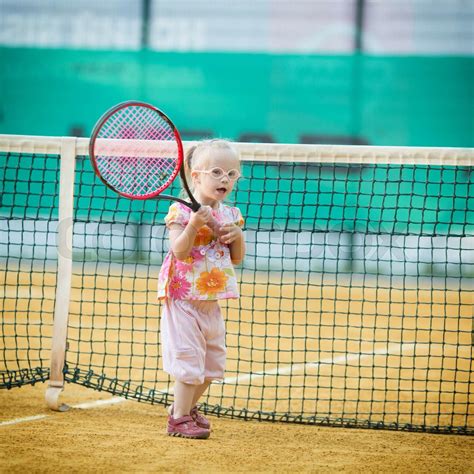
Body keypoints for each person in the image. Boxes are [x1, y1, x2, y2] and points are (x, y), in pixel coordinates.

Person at [157, 139, 245, 439]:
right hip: (182, 299)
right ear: (195, 176)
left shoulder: (231, 215)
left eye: (232, 175)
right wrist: (194, 225)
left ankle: (183, 410)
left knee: (212, 365)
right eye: (217, 172)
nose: (225, 179)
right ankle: (179, 418)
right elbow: (179, 252)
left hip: (211, 302)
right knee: (188, 360)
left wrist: (237, 235)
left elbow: (237, 257)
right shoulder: (180, 212)